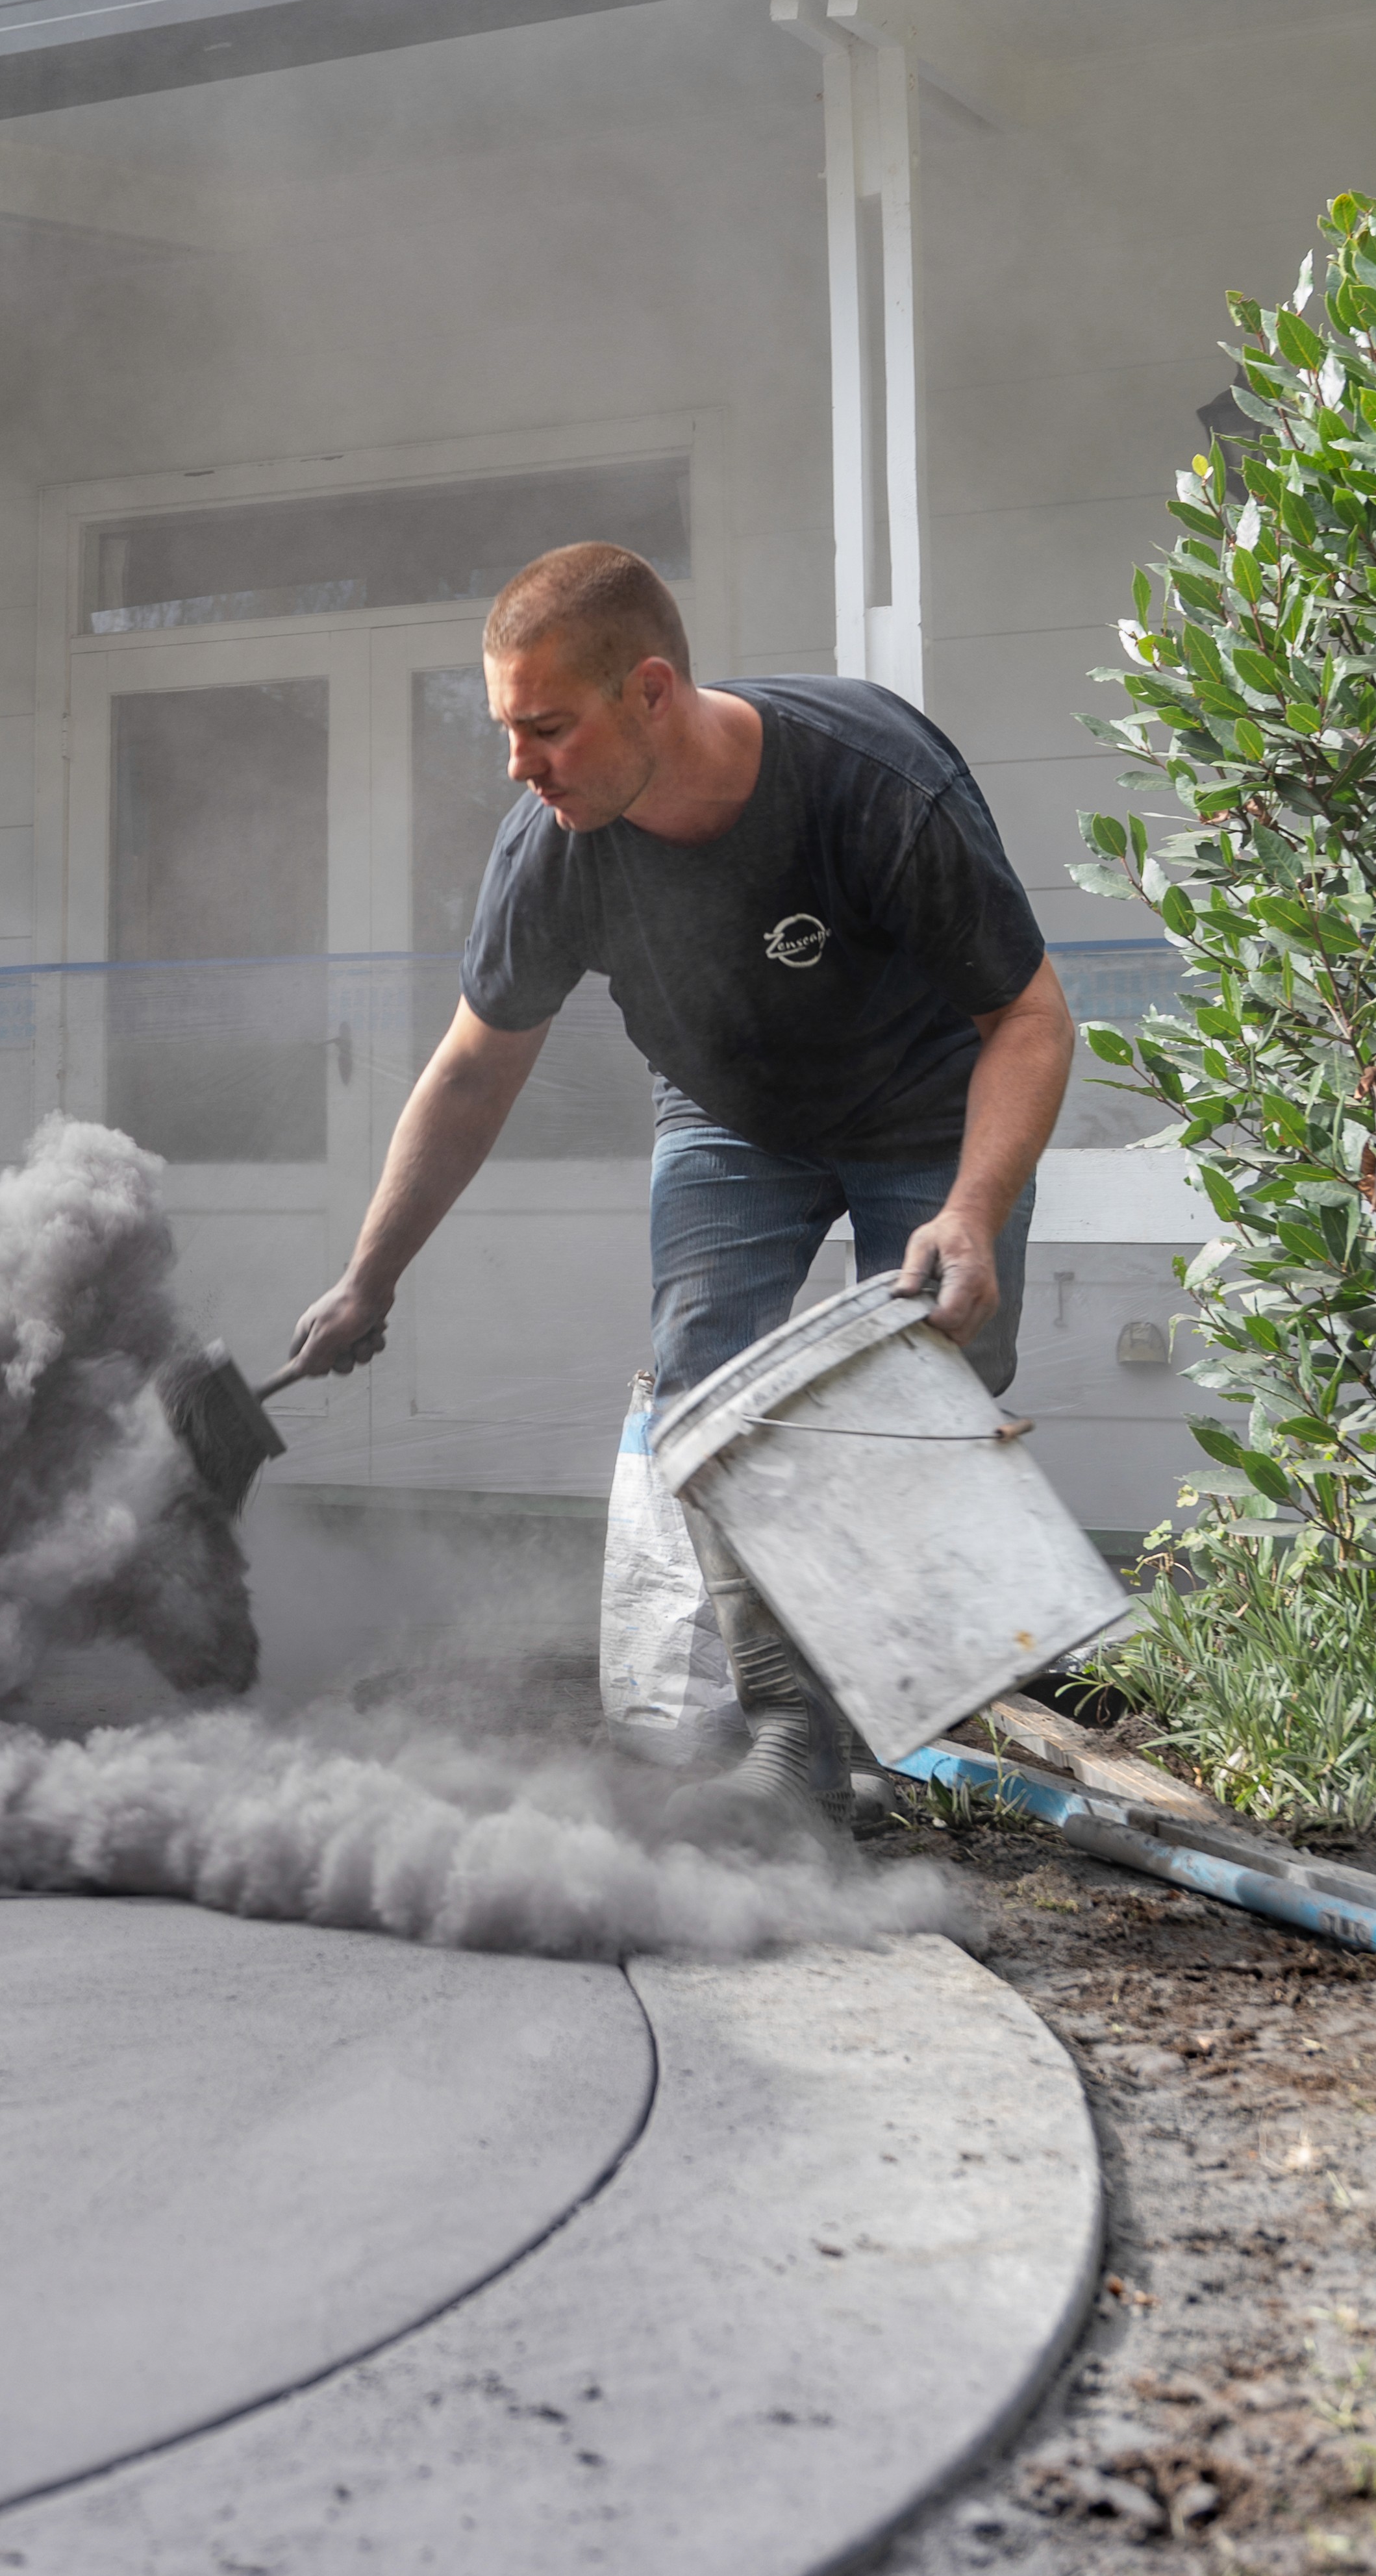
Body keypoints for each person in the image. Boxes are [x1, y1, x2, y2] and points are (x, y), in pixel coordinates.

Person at [288, 541, 1075, 1845]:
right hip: (729, 1117)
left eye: (544, 727)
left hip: (933, 1107)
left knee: (923, 1389)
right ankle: (790, 1742)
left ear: (649, 691)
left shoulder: (874, 786)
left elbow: (1033, 1020)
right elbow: (474, 1072)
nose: (518, 766)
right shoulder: (555, 847)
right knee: (702, 1382)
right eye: (504, 731)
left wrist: (972, 1212)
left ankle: (880, 1721)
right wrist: (370, 1276)